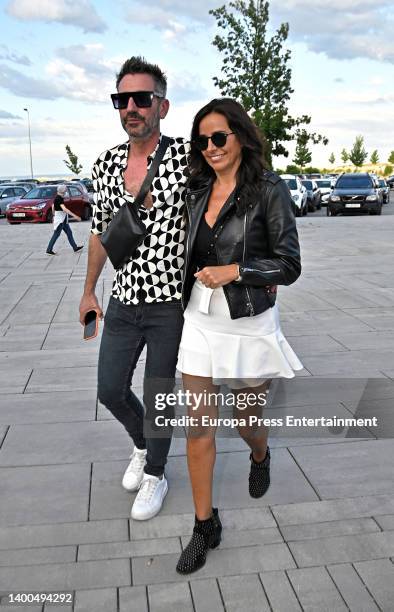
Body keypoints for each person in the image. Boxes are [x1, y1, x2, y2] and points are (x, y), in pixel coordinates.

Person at [175, 98, 303, 574]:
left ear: (241, 137)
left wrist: (237, 270)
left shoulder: (270, 189)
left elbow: (289, 264)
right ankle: (204, 524)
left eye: (219, 137)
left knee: (246, 419)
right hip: (199, 320)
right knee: (198, 428)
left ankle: (259, 451)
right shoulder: (195, 189)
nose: (210, 147)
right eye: (202, 140)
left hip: (248, 321)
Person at [79, 57, 188, 521]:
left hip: (168, 303)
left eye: (141, 99)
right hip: (124, 299)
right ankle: (144, 447)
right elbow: (102, 232)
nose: (131, 108)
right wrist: (89, 292)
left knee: (159, 393)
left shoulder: (187, 157)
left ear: (162, 106)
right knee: (110, 389)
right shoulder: (105, 163)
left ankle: (157, 474)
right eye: (122, 99)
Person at [46, 185, 83, 254]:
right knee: (56, 234)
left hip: (63, 218)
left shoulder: (58, 197)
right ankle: (49, 250)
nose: (66, 191)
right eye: (65, 190)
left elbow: (53, 206)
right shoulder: (59, 198)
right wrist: (75, 216)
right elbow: (64, 209)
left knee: (69, 233)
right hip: (60, 219)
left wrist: (54, 215)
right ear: (63, 191)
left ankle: (75, 247)